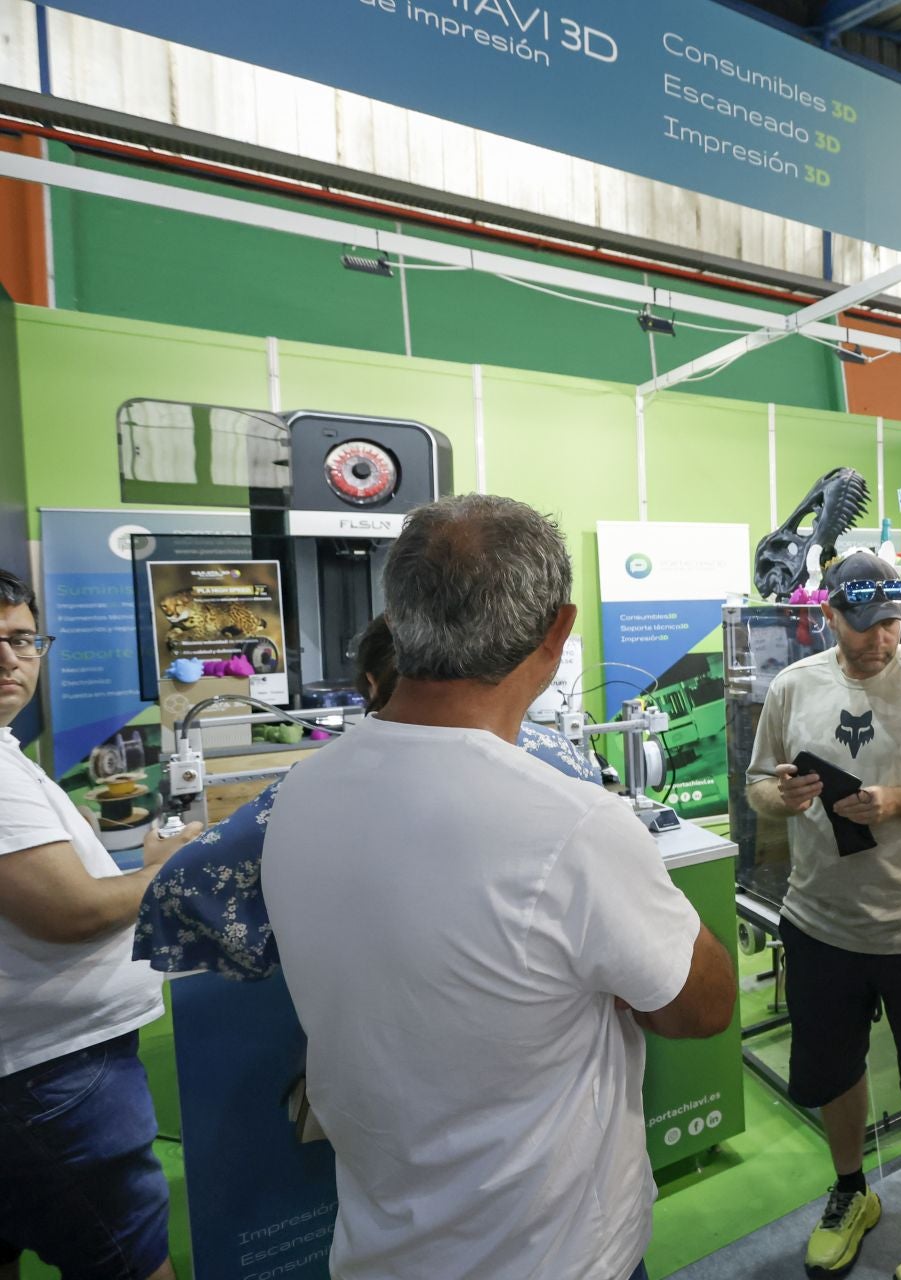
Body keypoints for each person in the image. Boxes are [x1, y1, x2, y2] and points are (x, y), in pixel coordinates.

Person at [262, 496, 736, 1280]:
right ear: (558, 631)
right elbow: (703, 1007)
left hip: (381, 1250)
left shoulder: (300, 795)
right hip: (555, 1254)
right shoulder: (572, 827)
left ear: (398, 612)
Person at [746, 550, 901, 1280]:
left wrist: (898, 802)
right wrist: (780, 796)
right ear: (828, 617)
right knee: (832, 1069)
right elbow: (759, 782)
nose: (879, 640)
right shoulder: (793, 688)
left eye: (891, 624)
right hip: (820, 922)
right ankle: (851, 1190)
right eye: (862, 627)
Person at [134, 613, 600, 980]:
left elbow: (183, 891)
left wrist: (158, 863)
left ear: (373, 685)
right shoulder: (561, 757)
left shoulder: (313, 788)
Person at [0, 567, 202, 1280]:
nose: (10, 659)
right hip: (53, 1078)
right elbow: (70, 911)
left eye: (23, 640)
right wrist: (165, 872)